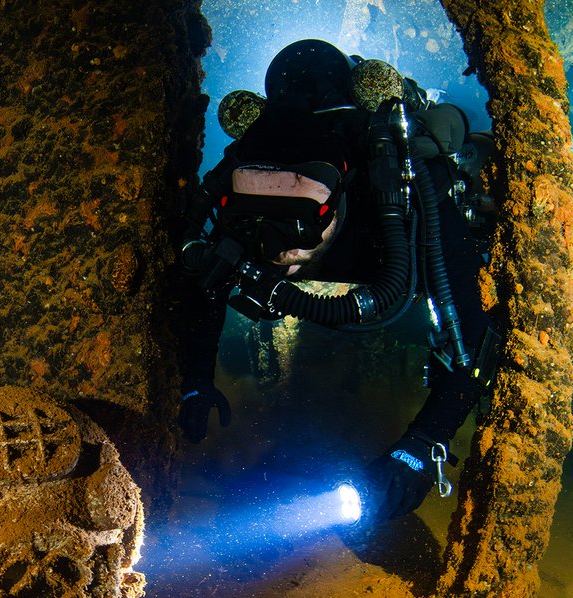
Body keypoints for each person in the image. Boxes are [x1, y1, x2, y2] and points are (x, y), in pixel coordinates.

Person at [172, 40, 499, 521]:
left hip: (382, 242)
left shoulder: (400, 188)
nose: (280, 250)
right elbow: (208, 281)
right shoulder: (246, 183)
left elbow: (472, 329)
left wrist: (425, 440)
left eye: (297, 224)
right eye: (262, 223)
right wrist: (197, 377)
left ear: (339, 196)